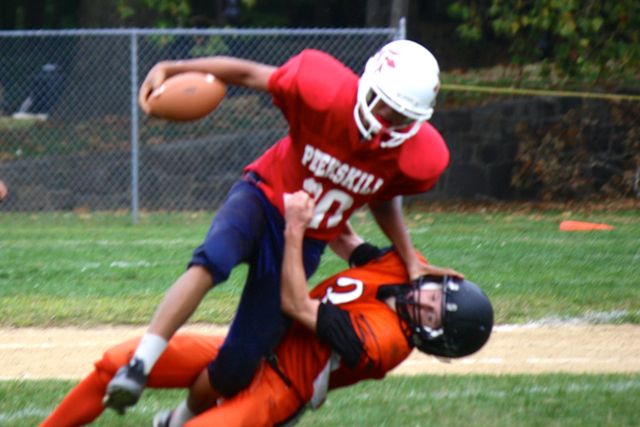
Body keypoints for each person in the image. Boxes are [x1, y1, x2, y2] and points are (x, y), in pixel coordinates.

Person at [104, 39, 457, 414]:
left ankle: (178, 420)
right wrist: (172, 66)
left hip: (303, 241)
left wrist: (410, 259)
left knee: (238, 366)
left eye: (402, 116)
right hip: (263, 196)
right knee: (212, 262)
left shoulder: (418, 157)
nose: (388, 120)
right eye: (385, 104)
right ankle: (138, 366)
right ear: (367, 83)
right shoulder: (323, 93)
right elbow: (246, 73)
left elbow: (382, 195)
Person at [40, 191, 493, 427]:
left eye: (433, 313)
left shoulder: (385, 343)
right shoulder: (402, 268)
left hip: (279, 388)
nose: (425, 298)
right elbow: (345, 240)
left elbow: (294, 303)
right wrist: (329, 196)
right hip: (253, 342)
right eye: (437, 294)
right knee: (114, 364)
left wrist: (295, 229)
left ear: (432, 336)